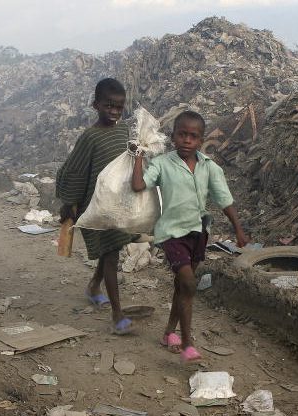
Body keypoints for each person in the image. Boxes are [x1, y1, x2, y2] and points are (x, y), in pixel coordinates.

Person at [131, 110, 248, 362]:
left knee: (181, 286)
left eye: (193, 136)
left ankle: (168, 333)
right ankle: (187, 343)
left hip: (198, 233)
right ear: (173, 137)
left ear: (201, 139)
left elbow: (224, 200)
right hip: (171, 234)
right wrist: (139, 155)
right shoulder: (162, 164)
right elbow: (139, 185)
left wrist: (238, 229)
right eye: (182, 134)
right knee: (189, 283)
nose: (187, 140)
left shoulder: (209, 167)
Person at [56, 78, 137, 335]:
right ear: (95, 105)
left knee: (111, 249)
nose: (114, 111)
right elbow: (74, 171)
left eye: (119, 107)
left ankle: (93, 287)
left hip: (120, 205)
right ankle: (117, 315)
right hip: (97, 208)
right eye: (108, 106)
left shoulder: (124, 130)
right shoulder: (89, 137)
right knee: (111, 253)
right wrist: (69, 203)